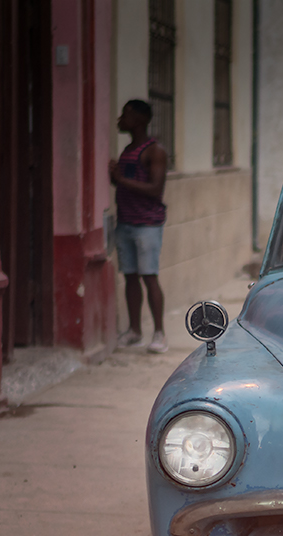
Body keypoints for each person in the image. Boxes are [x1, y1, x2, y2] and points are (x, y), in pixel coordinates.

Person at [109, 99, 169, 353]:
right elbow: (126, 184)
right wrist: (118, 180)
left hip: (147, 225)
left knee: (149, 277)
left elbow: (156, 189)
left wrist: (120, 179)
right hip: (126, 222)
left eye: (126, 115)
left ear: (141, 120)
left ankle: (159, 334)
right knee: (130, 277)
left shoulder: (154, 151)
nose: (120, 120)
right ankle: (134, 331)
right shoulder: (128, 149)